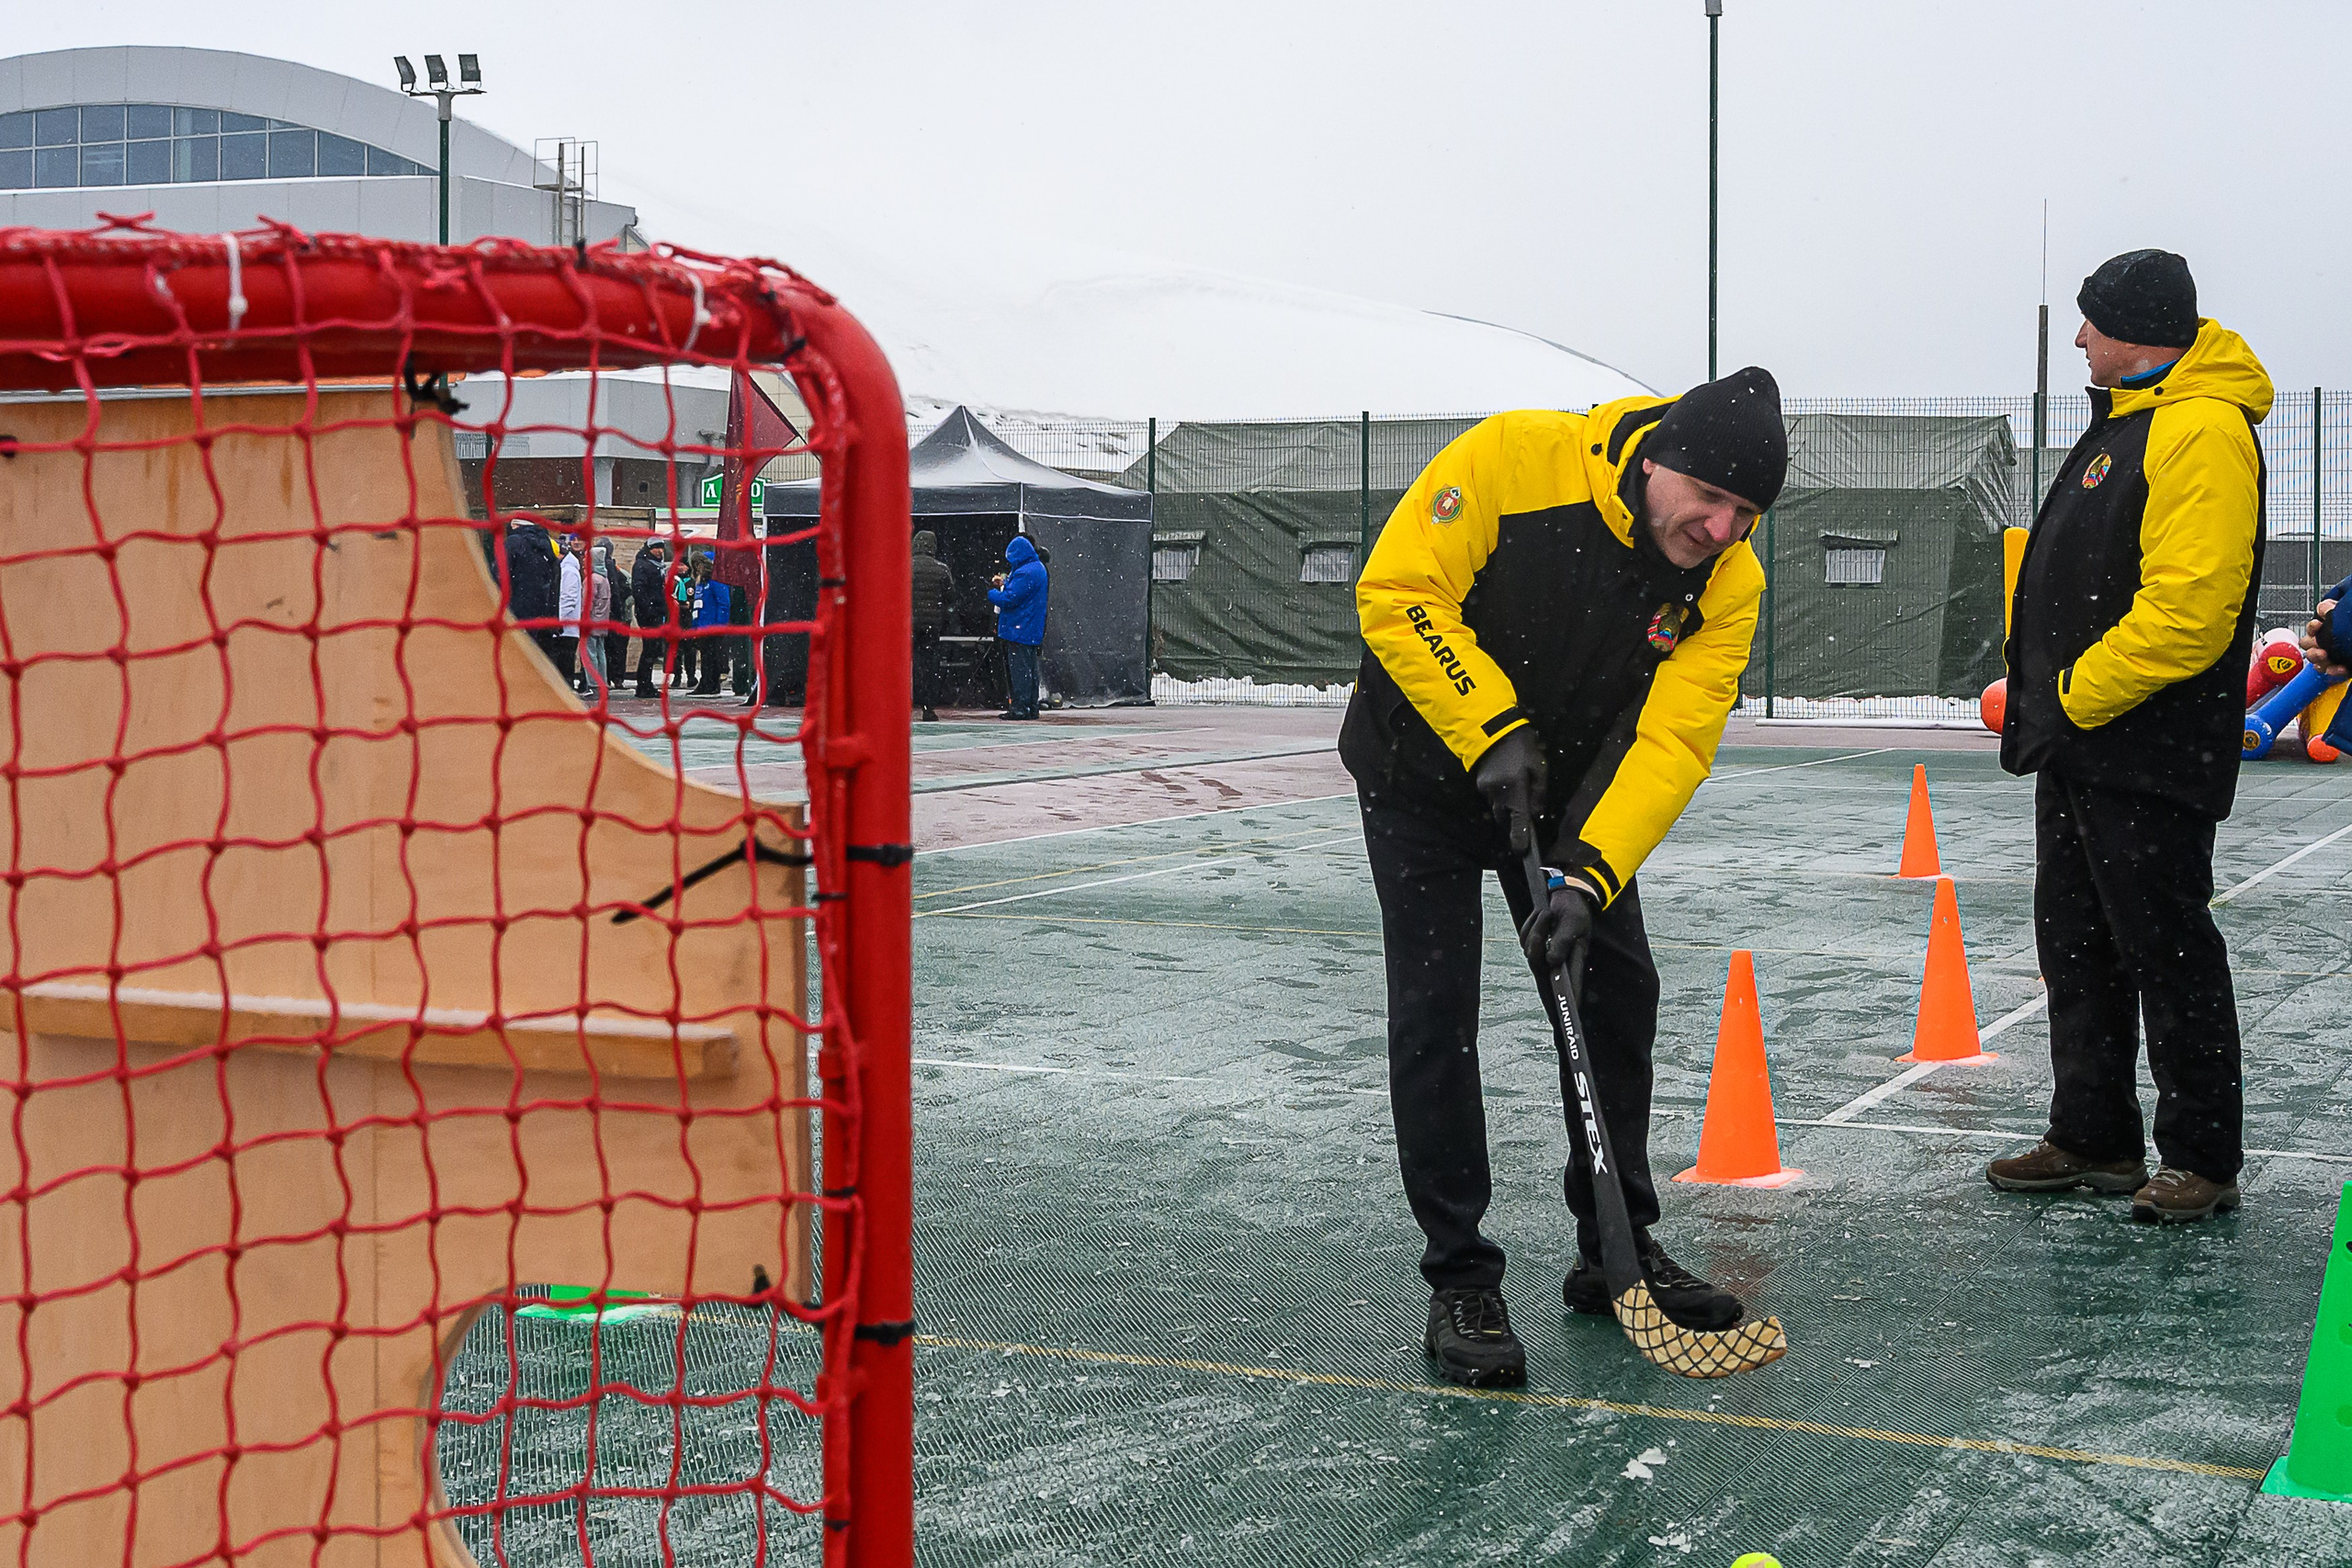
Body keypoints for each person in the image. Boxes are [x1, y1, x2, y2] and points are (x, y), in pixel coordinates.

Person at [1342, 368, 1783, 1388]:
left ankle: (1614, 1248)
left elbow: (1672, 742)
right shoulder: (1510, 461)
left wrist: (1588, 876)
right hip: (1420, 777)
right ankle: (1461, 1276)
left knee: (1616, 991)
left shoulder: (1728, 583)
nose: (1721, 529)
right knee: (1436, 1011)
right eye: (1708, 497)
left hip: (1562, 796)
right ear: (1656, 459)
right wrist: (1489, 727)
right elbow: (1399, 593)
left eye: (1746, 514)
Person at [1990, 250, 2269, 1225]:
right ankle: (2093, 1136)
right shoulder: (2132, 418)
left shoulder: (2201, 428)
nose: (2079, 338)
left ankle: (2201, 1157)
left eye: (2092, 321)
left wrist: (2067, 694)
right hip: (2083, 742)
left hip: (2148, 749)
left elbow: (2189, 612)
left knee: (2166, 949)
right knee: (2076, 946)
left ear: (2137, 331)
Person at [988, 535, 1048, 720]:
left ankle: (1020, 708)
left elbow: (1010, 599)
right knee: (1030, 670)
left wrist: (992, 594)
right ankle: (1031, 707)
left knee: (1019, 671)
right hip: (1030, 627)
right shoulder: (1037, 568)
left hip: (1018, 628)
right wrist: (1006, 584)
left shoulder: (1025, 572)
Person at [497, 517, 562, 668]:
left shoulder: (513, 543)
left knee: (511, 657)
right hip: (540, 612)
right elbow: (553, 582)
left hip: (515, 610)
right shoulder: (546, 545)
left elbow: (499, 576)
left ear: (514, 525)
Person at [910, 529, 956, 722]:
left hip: (909, 624)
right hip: (932, 625)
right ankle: (928, 707)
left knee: (908, 663)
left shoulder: (906, 566)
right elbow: (951, 598)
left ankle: (904, 702)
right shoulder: (942, 569)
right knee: (930, 665)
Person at [631, 540, 671, 698]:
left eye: (661, 548)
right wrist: (649, 609)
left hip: (655, 612)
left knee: (652, 649)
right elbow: (639, 590)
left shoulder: (655, 566)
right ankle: (643, 684)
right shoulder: (643, 565)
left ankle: (645, 683)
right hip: (649, 614)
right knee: (650, 649)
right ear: (649, 549)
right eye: (656, 548)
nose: (660, 551)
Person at [693, 554, 734, 697]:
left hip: (712, 625)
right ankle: (705, 682)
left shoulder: (716, 581)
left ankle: (711, 684)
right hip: (702, 625)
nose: (698, 568)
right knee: (706, 656)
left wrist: (720, 625)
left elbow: (724, 603)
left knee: (712, 656)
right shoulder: (701, 583)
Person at [601, 543, 631, 694]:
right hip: (618, 617)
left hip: (612, 617)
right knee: (618, 649)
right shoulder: (620, 573)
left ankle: (611, 677)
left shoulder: (613, 572)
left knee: (610, 648)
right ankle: (617, 677)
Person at [554, 534, 584, 687]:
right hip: (567, 628)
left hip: (566, 628)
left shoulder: (568, 571)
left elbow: (568, 599)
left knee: (565, 663)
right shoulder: (567, 569)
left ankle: (568, 686)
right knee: (565, 663)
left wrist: (558, 620)